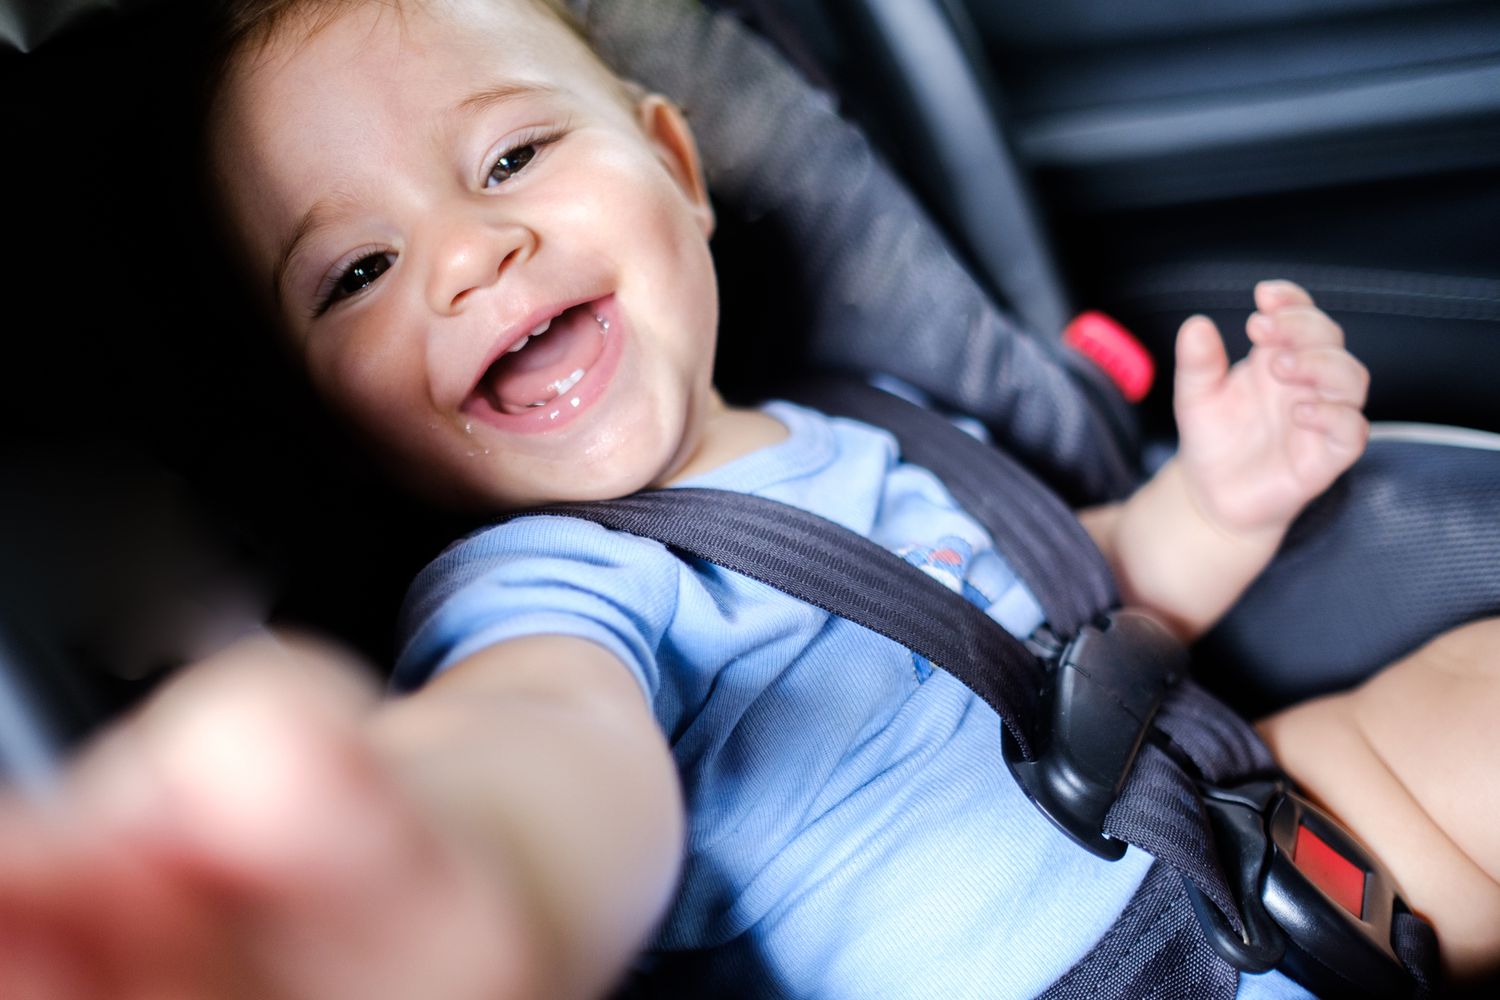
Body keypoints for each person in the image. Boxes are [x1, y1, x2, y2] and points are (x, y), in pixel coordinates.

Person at [1, 0, 1496, 996]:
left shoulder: (858, 423)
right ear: (318, 415)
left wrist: (1225, 502)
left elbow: (1085, 600)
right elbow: (549, 754)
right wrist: (437, 869)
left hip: (1253, 827)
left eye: (514, 155)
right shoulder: (535, 586)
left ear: (673, 166)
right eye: (359, 274)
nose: (472, 256)